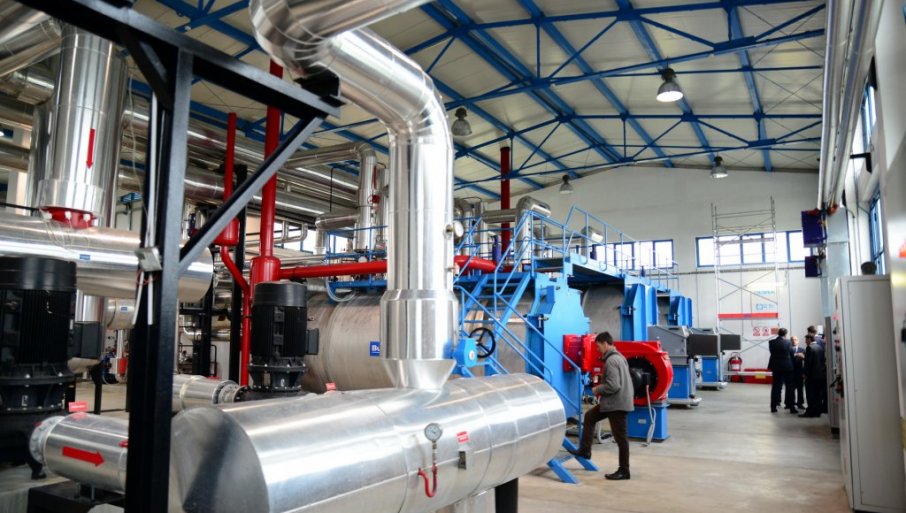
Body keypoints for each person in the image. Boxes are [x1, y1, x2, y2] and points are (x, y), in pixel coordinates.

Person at [568, 331, 634, 480]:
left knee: (621, 438)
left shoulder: (611, 361)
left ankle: (624, 470)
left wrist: (597, 389)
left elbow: (613, 385)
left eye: (598, 346)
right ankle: (585, 450)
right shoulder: (620, 357)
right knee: (590, 416)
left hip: (616, 404)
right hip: (613, 402)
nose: (597, 350)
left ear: (605, 344)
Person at [767, 328, 797, 413]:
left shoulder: (771, 342)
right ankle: (791, 407)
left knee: (775, 386)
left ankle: (773, 407)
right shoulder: (788, 342)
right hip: (787, 366)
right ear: (785, 334)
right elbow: (791, 354)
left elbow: (772, 353)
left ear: (778, 333)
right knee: (789, 386)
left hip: (776, 366)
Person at [801, 334, 827, 418]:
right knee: (818, 395)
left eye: (806, 340)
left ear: (809, 339)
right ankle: (817, 412)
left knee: (811, 395)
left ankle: (810, 412)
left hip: (811, 376)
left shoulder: (809, 348)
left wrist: (805, 373)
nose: (805, 341)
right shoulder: (820, 347)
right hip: (820, 375)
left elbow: (808, 363)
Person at [790, 336, 805, 409]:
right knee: (791, 389)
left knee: (800, 389)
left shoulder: (802, 350)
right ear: (790, 341)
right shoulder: (788, 349)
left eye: (795, 340)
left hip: (799, 372)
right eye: (792, 340)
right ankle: (790, 404)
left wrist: (803, 357)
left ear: (798, 341)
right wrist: (795, 355)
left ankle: (800, 403)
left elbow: (807, 360)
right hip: (790, 372)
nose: (794, 341)